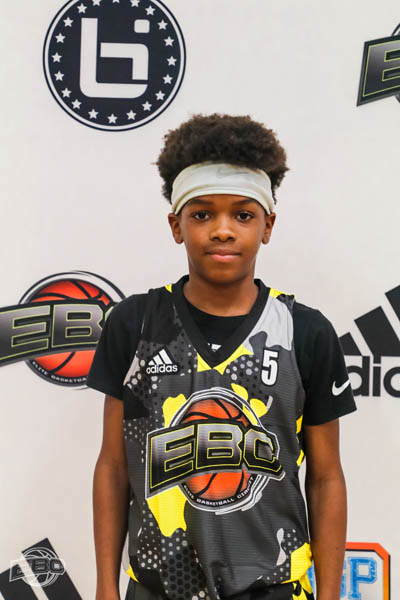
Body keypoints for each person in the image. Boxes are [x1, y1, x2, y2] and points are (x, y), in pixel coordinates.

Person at [87, 113, 356, 600]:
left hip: (272, 586)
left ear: (268, 226)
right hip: (159, 586)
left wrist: (330, 594)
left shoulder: (304, 331)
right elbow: (113, 466)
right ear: (176, 225)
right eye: (203, 214)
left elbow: (326, 478)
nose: (223, 230)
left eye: (243, 215)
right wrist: (106, 584)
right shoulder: (135, 324)